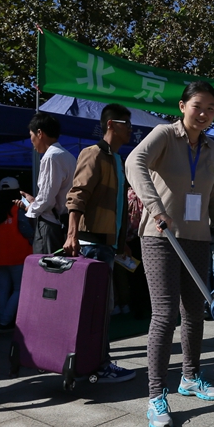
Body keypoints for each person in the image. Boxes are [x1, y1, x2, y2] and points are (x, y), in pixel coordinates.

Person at [126, 82, 214, 427]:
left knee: (194, 311)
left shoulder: (211, 147)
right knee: (164, 314)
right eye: (197, 106)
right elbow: (134, 161)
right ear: (182, 106)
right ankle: (156, 395)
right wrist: (156, 208)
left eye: (210, 109)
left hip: (197, 238)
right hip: (160, 236)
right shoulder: (164, 134)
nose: (203, 114)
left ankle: (190, 377)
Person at [61, 102, 137, 383]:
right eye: (127, 124)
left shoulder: (116, 159)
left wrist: (120, 241)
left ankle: (90, 363)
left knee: (100, 308)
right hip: (91, 243)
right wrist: (72, 234)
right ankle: (97, 364)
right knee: (96, 309)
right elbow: (77, 195)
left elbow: (116, 206)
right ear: (111, 125)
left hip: (105, 244)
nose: (131, 129)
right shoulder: (93, 153)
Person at [22, 112, 74, 255]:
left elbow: (46, 199)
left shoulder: (51, 157)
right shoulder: (68, 156)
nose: (31, 141)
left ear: (39, 133)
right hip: (64, 223)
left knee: (46, 265)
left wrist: (31, 208)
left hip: (50, 224)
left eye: (31, 135)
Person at [0, 177, 33, 331]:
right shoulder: (17, 208)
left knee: (2, 289)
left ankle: (2, 319)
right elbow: (27, 231)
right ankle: (5, 321)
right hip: (18, 255)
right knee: (19, 289)